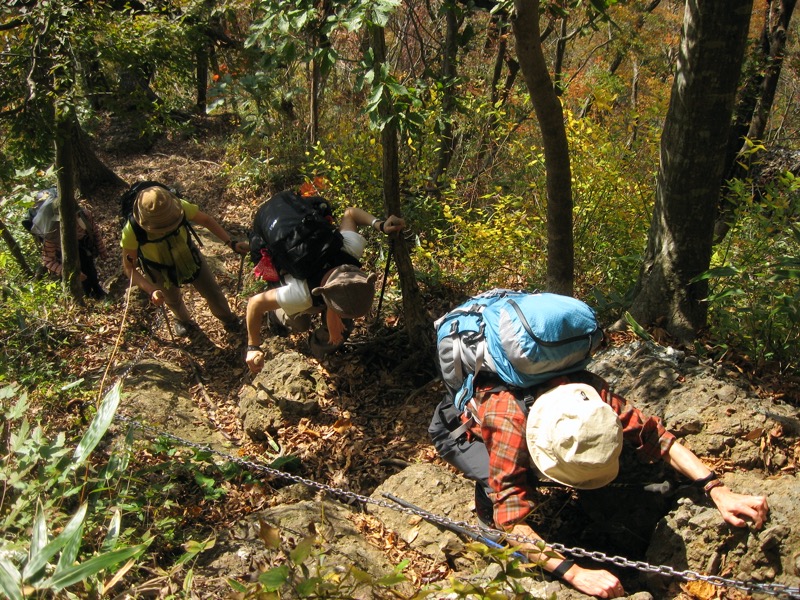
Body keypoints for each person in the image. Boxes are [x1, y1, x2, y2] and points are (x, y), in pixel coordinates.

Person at [429, 371, 770, 599]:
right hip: (459, 429)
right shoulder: (507, 425)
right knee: (496, 488)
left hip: (523, 420)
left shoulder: (590, 399)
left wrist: (718, 491)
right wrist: (574, 572)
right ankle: (484, 527)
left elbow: (659, 439)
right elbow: (513, 521)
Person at [245, 203, 405, 373]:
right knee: (300, 323)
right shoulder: (301, 294)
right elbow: (255, 304)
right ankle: (276, 316)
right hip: (291, 275)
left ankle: (318, 352)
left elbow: (350, 213)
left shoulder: (348, 251)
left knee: (343, 323)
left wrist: (380, 224)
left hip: (317, 279)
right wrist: (253, 347)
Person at [120, 185, 247, 337]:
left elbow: (206, 220)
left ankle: (229, 319)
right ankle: (183, 321)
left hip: (188, 255)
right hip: (158, 268)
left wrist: (230, 243)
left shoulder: (180, 207)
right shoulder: (132, 230)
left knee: (212, 290)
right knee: (171, 299)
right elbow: (129, 268)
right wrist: (151, 290)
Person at [30, 189, 108, 299]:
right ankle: (88, 297)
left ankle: (97, 290)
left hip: (84, 249)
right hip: (65, 259)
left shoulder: (84, 216)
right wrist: (69, 272)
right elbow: (48, 260)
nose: (74, 220)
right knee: (83, 284)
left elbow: (94, 231)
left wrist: (102, 250)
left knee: (90, 271)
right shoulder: (52, 233)